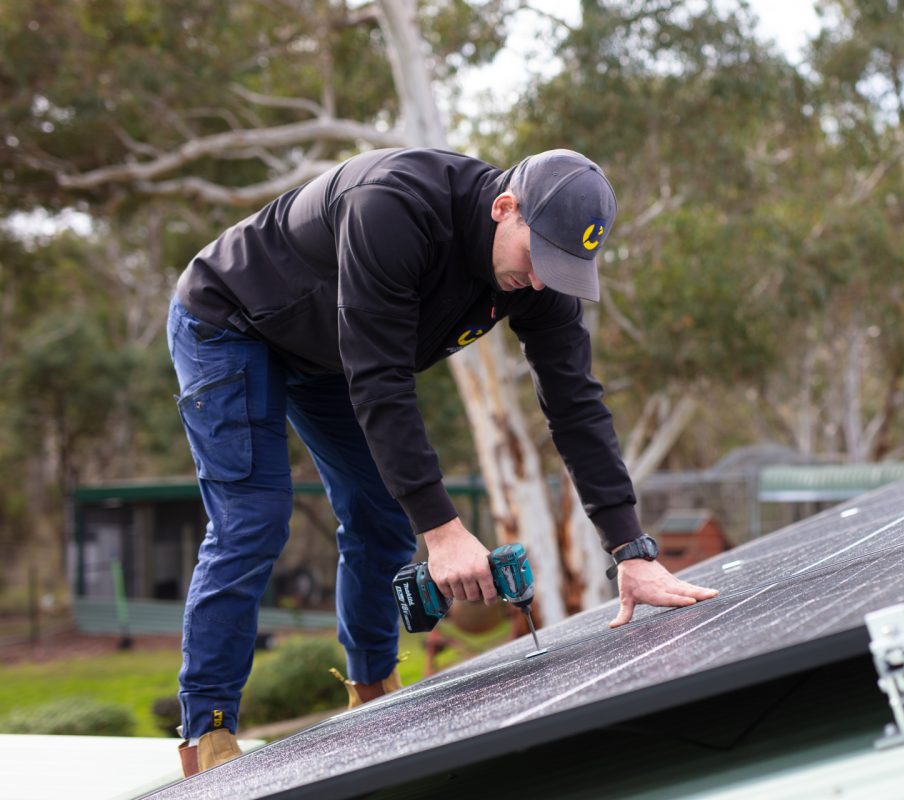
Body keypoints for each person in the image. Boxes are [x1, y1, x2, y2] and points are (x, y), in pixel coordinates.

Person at [166, 147, 718, 776]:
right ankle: (206, 736)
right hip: (231, 324)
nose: (542, 282)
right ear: (504, 209)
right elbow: (380, 381)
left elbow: (576, 404)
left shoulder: (540, 277)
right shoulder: (394, 207)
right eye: (539, 259)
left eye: (563, 269)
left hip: (328, 352)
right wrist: (444, 529)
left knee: (379, 517)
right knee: (254, 517)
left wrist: (631, 550)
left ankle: (371, 692)